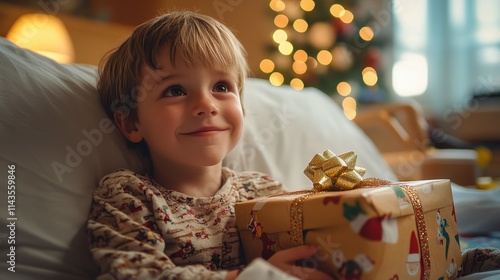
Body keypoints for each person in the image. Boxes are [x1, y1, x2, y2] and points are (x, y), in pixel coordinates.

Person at [87, 11, 332, 280]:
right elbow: (137, 274)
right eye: (176, 90)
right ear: (131, 123)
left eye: (221, 86)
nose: (206, 105)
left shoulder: (265, 192)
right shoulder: (128, 195)